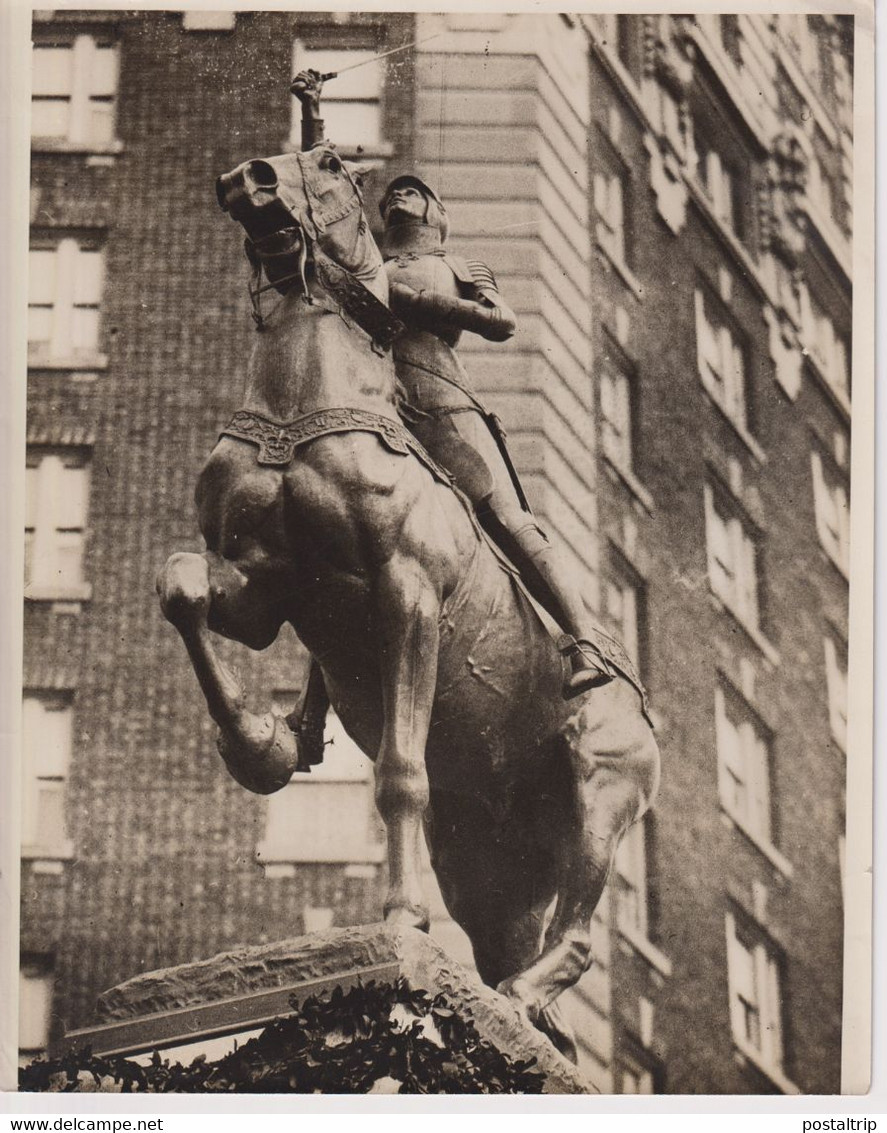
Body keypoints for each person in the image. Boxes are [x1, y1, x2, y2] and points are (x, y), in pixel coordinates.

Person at [286, 72, 638, 767]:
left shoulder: (457, 264)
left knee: (505, 518)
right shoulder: (376, 266)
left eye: (411, 193)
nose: (398, 200)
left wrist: (428, 307)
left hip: (445, 401)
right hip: (383, 408)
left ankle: (583, 639)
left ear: (437, 213)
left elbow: (500, 322)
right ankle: (311, 709)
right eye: (392, 196)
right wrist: (313, 114)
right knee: (346, 544)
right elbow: (325, 207)